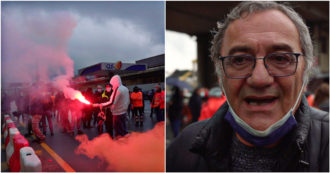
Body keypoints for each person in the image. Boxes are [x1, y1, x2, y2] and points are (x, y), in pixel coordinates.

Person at [167, 2, 329, 172]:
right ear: (221, 78)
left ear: (305, 75)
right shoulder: (183, 148)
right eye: (239, 60)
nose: (259, 79)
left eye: (281, 59)